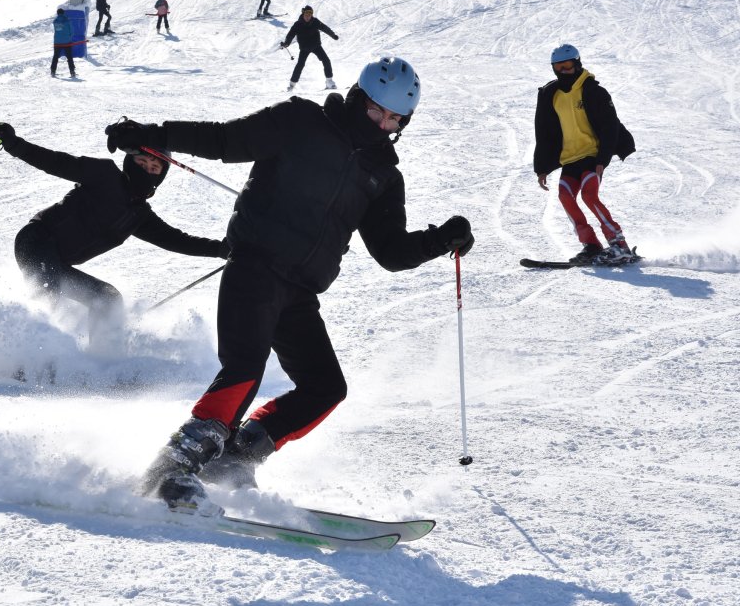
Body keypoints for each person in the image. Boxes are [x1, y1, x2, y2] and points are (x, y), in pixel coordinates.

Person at [104, 57, 475, 512]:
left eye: (394, 118)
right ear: (358, 98)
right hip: (254, 266)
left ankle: (235, 457)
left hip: (300, 291)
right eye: (375, 110)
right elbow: (225, 140)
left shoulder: (383, 177)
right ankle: (173, 466)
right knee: (244, 370)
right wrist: (152, 135)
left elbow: (391, 253)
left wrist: (443, 238)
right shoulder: (301, 120)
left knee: (324, 388)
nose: (381, 123)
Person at [0, 122, 229, 355]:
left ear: (160, 178)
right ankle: (21, 356)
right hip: (36, 241)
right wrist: (13, 143)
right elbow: (55, 162)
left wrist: (222, 250)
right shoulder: (103, 174)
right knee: (51, 299)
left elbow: (177, 240)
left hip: (58, 260)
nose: (147, 170)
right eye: (142, 162)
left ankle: (101, 360)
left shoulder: (139, 215)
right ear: (130, 162)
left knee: (107, 299)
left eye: (154, 169)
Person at [534, 44, 637, 263]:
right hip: (570, 158)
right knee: (564, 195)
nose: (564, 71)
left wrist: (603, 159)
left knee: (589, 195)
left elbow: (610, 126)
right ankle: (590, 245)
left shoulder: (593, 90)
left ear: (577, 64)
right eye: (558, 67)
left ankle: (619, 243)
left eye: (568, 65)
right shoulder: (551, 94)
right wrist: (541, 167)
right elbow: (543, 132)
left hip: (592, 155)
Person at [281, 6, 339, 92]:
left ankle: (329, 81)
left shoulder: (315, 21)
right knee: (300, 65)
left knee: (326, 60)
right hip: (304, 48)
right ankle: (291, 85)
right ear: (303, 14)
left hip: (316, 46)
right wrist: (287, 43)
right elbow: (291, 34)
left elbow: (325, 28)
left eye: (310, 14)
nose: (308, 16)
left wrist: (333, 35)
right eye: (306, 14)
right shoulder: (297, 24)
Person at [51, 9, 77, 79]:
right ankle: (72, 72)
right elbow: (72, 31)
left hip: (57, 43)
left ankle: (53, 71)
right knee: (69, 58)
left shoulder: (55, 21)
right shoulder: (67, 21)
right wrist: (69, 38)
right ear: (63, 13)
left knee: (55, 57)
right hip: (67, 42)